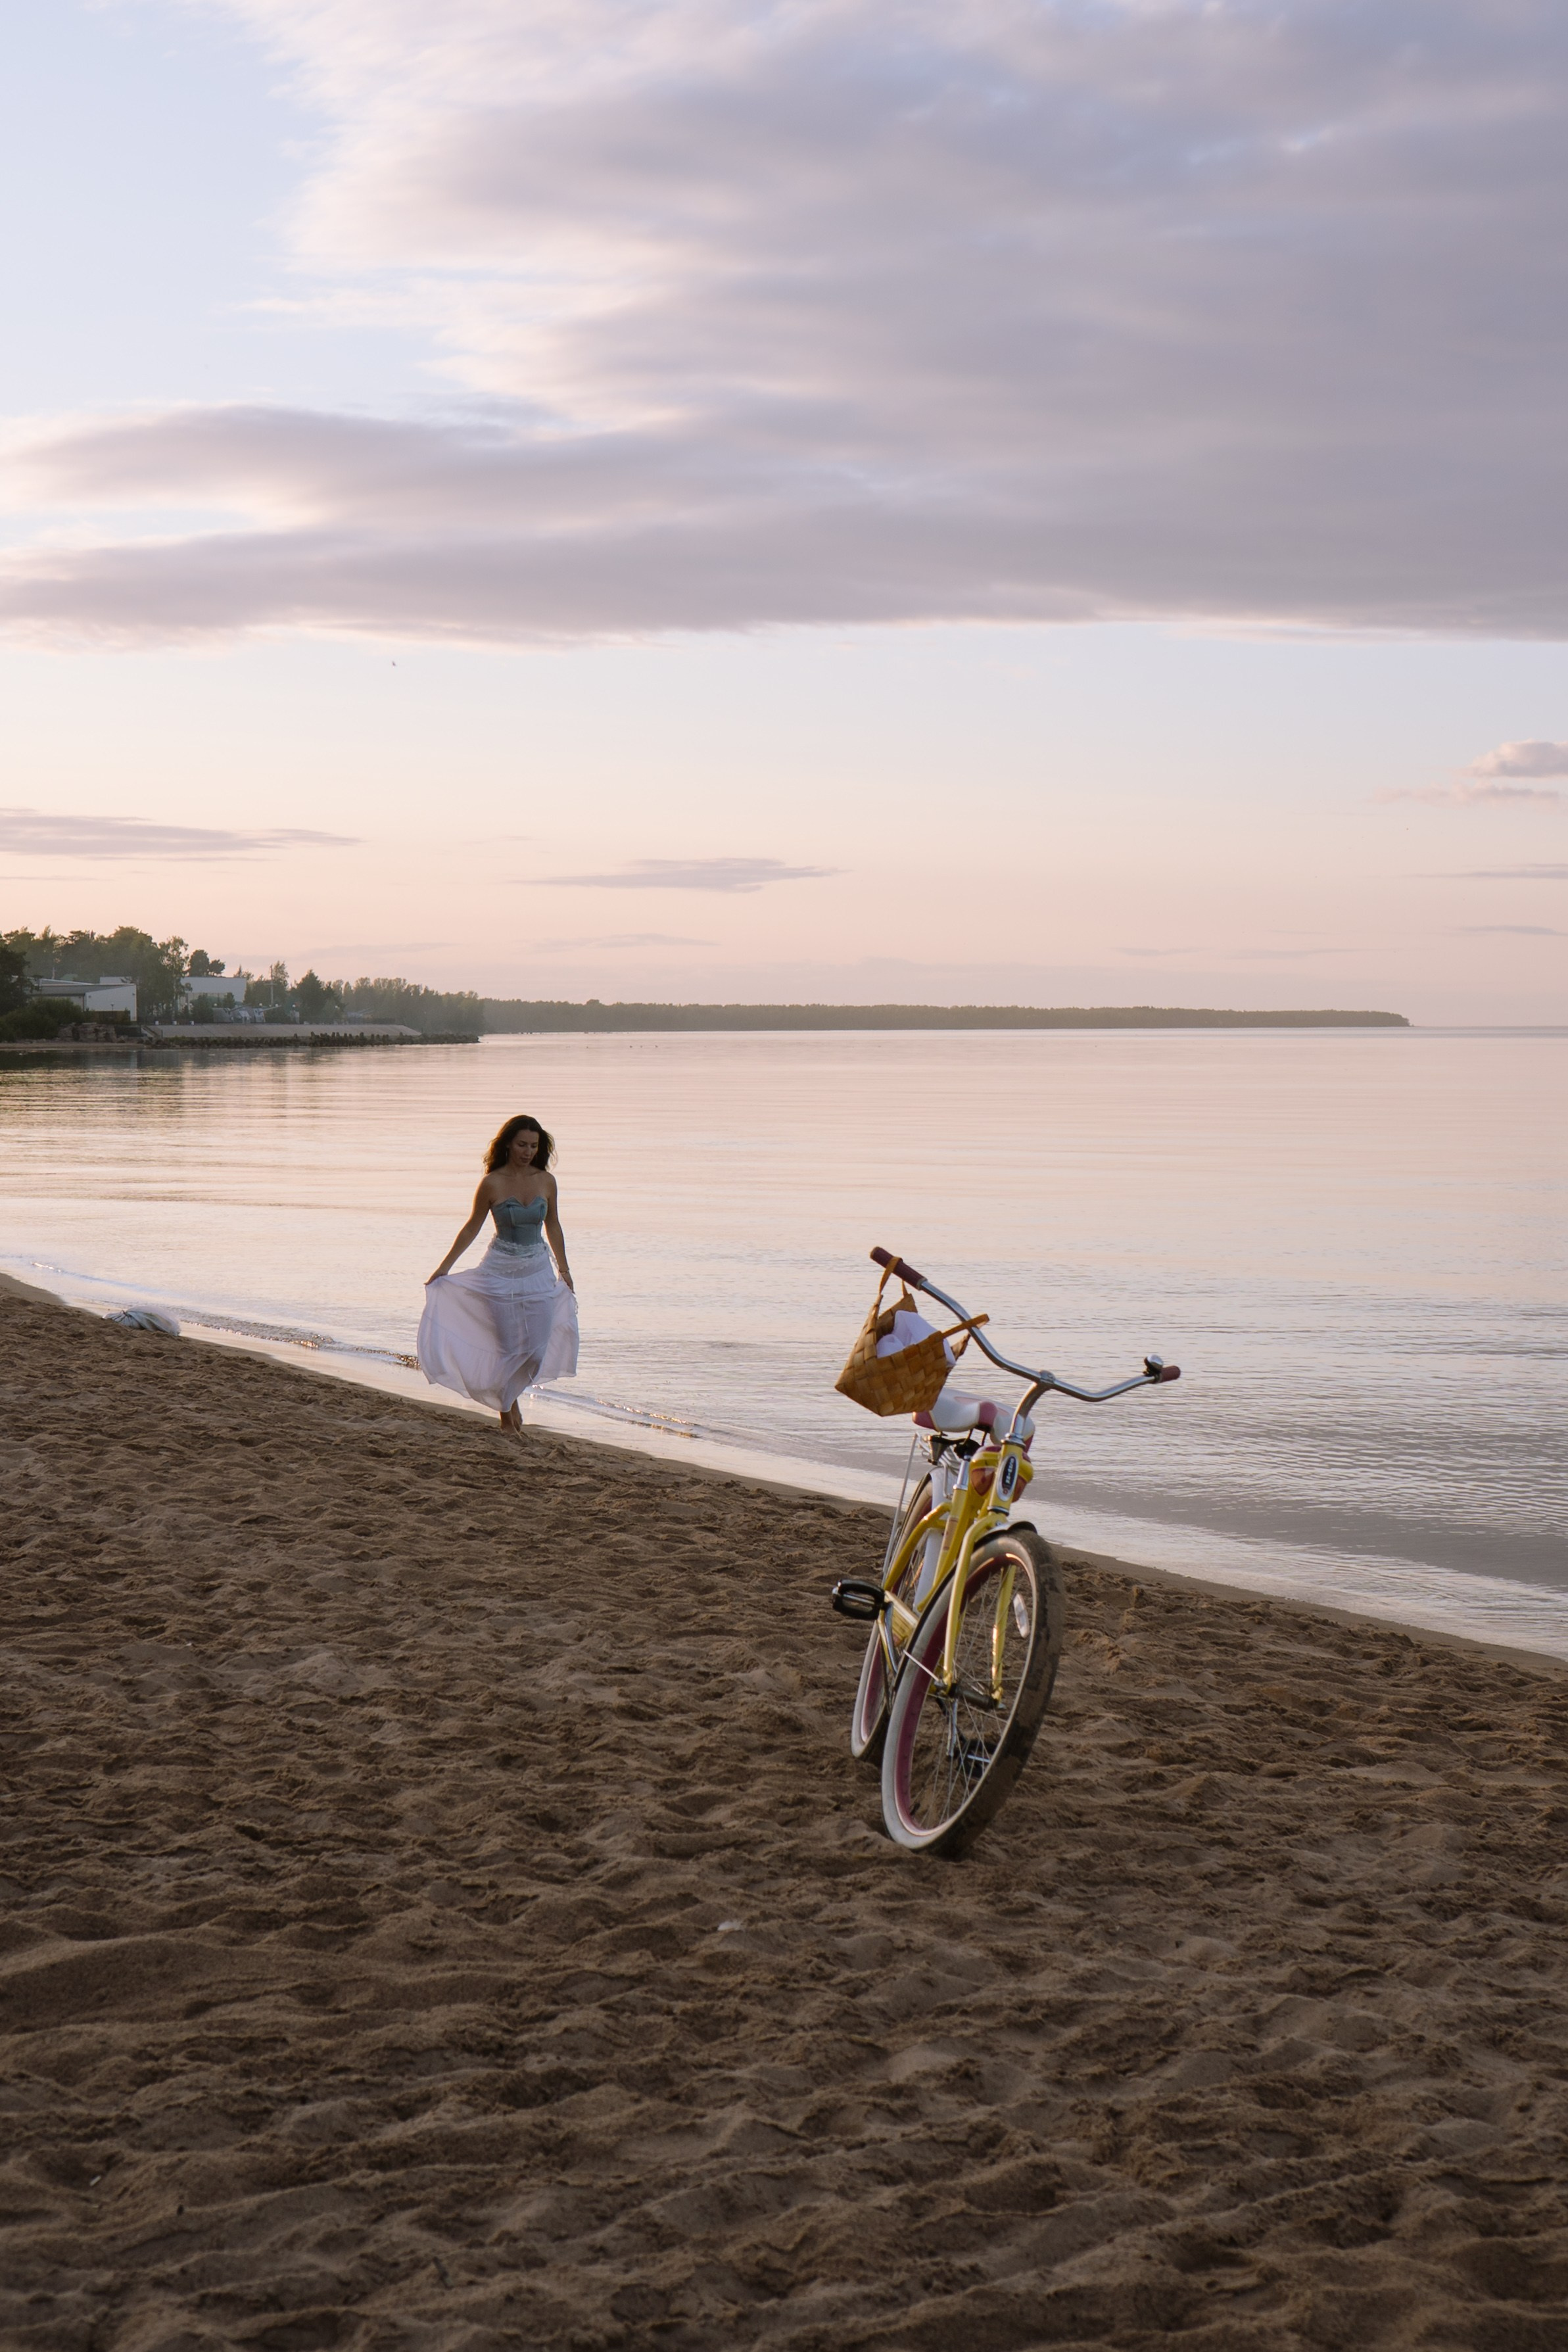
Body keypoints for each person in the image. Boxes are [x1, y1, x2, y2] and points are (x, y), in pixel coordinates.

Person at [418, 1113, 579, 1431]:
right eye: (522, 1144)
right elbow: (471, 1228)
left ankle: (508, 1397)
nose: (528, 1151)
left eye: (534, 1146)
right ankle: (507, 1412)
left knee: (536, 1350)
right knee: (508, 1347)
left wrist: (564, 1267)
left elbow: (554, 1225)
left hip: (538, 1271)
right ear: (507, 1144)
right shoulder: (492, 1182)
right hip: (499, 1272)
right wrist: (444, 1267)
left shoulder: (546, 1181)